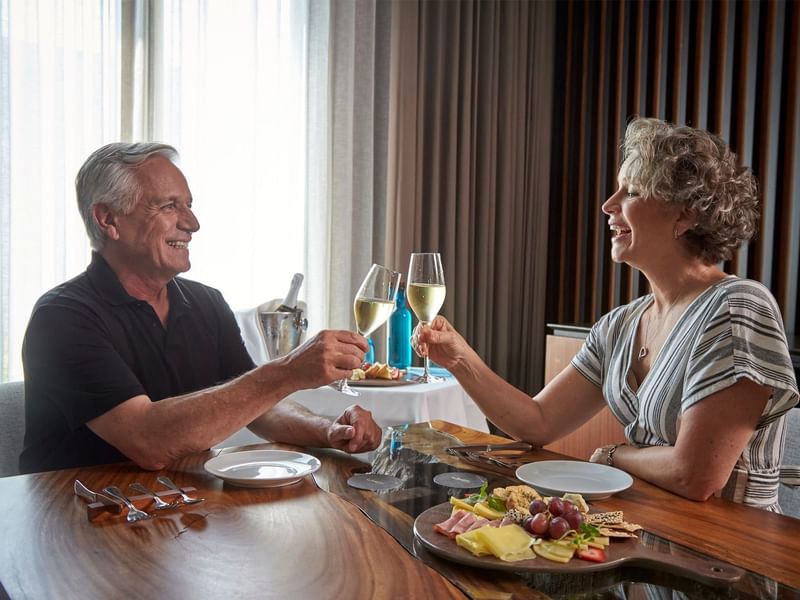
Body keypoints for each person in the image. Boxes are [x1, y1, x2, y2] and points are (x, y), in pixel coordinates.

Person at [416, 117, 798, 512]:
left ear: (685, 215)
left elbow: (695, 474)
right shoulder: (620, 325)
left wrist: (614, 455)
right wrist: (459, 358)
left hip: (733, 554)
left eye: (630, 191)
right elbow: (538, 421)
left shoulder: (738, 308)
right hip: (650, 534)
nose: (607, 205)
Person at [20, 142, 381, 474]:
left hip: (177, 512)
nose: (192, 224)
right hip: (76, 518)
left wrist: (330, 429)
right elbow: (148, 441)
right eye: (169, 206)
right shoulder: (62, 319)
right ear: (108, 219)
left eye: (189, 206)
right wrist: (287, 371)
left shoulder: (206, 303)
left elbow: (262, 407)